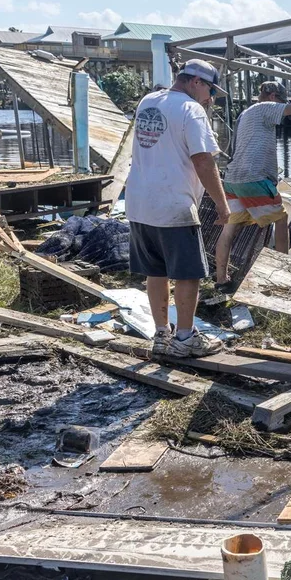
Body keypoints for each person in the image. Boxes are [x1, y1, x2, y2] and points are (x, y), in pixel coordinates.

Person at [124, 59, 230, 358]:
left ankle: (161, 335)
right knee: (187, 274)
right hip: (173, 202)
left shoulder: (148, 101)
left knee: (155, 270)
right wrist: (222, 205)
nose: (209, 98)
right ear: (195, 82)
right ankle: (184, 338)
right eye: (209, 89)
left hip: (140, 201)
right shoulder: (190, 109)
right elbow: (203, 160)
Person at [213, 80, 291, 291]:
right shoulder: (266, 107)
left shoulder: (247, 113)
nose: (282, 107)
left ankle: (221, 280)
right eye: (281, 101)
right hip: (254, 178)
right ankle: (282, 274)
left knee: (229, 230)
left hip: (233, 178)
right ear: (273, 97)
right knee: (281, 220)